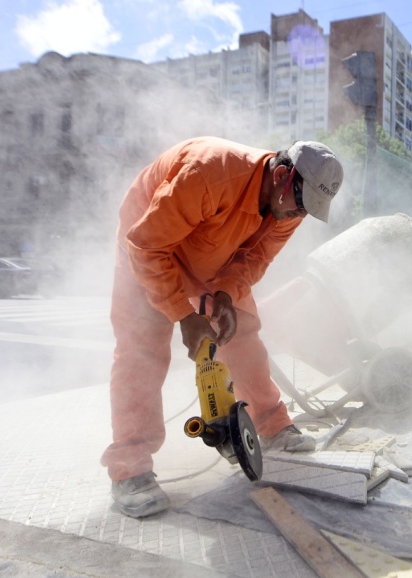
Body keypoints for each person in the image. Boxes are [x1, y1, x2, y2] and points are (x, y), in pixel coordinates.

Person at [102, 136, 343, 518]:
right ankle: (129, 470)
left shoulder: (289, 209)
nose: (298, 216)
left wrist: (227, 295)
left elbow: (255, 259)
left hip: (211, 252)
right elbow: (147, 247)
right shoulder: (209, 174)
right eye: (299, 204)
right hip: (147, 246)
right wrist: (183, 314)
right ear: (281, 176)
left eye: (307, 210)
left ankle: (272, 426)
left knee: (241, 330)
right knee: (142, 350)